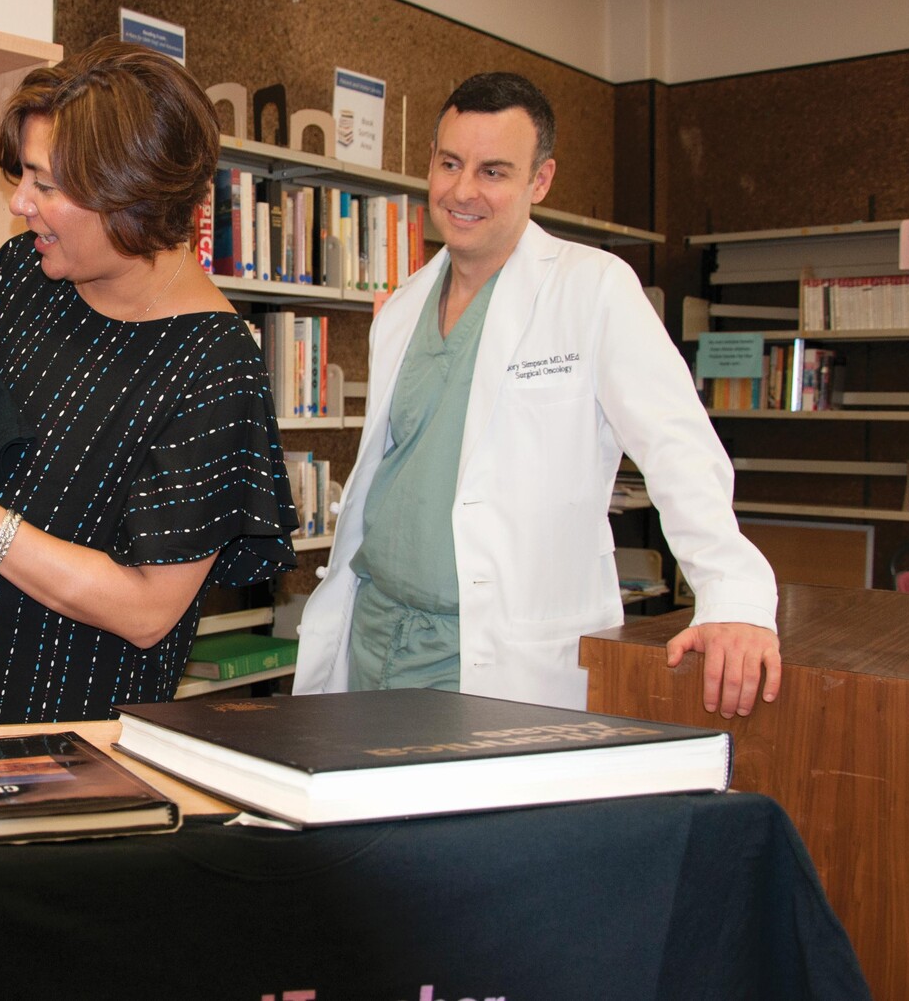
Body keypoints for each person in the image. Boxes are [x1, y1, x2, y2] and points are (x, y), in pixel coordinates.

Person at [0, 38, 298, 724]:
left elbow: (147, 610)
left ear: (132, 197)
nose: (21, 202)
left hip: (70, 742)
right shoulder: (26, 274)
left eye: (47, 186)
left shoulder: (214, 364)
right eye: (24, 176)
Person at [294, 72, 781, 716]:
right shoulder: (402, 307)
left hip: (493, 652)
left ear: (540, 180)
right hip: (375, 632)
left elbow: (680, 450)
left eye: (494, 171)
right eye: (449, 163)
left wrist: (736, 599)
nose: (463, 191)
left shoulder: (593, 289)